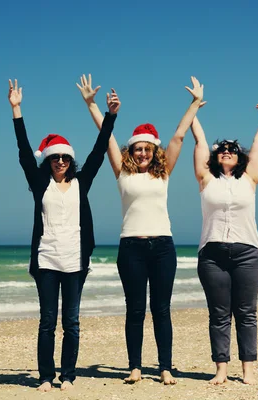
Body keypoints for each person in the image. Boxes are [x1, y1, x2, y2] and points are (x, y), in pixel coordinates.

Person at [76, 74, 204, 385]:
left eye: (147, 149)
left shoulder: (164, 173)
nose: (143, 154)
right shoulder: (121, 170)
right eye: (138, 150)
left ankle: (165, 367)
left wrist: (195, 104)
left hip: (162, 247)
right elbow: (105, 137)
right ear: (131, 151)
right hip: (130, 248)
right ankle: (134, 367)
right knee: (135, 309)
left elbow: (178, 138)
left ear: (154, 151)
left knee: (161, 309)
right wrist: (93, 105)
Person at [8, 78, 119, 392]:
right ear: (49, 160)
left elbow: (99, 151)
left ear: (71, 160)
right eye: (55, 157)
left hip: (74, 260)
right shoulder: (41, 184)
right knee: (47, 322)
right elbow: (23, 153)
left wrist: (110, 116)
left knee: (71, 322)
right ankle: (45, 376)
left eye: (65, 157)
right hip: (46, 259)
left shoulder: (82, 182)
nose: (59, 161)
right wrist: (16, 110)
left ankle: (67, 375)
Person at [189, 103, 258, 385]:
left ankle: (248, 369)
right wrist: (193, 108)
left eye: (232, 149)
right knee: (219, 314)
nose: (227, 150)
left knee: (246, 313)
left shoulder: (250, 179)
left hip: (248, 253)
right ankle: (221, 369)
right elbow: (200, 140)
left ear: (241, 158)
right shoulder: (206, 179)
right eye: (222, 148)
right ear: (215, 156)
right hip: (212, 254)